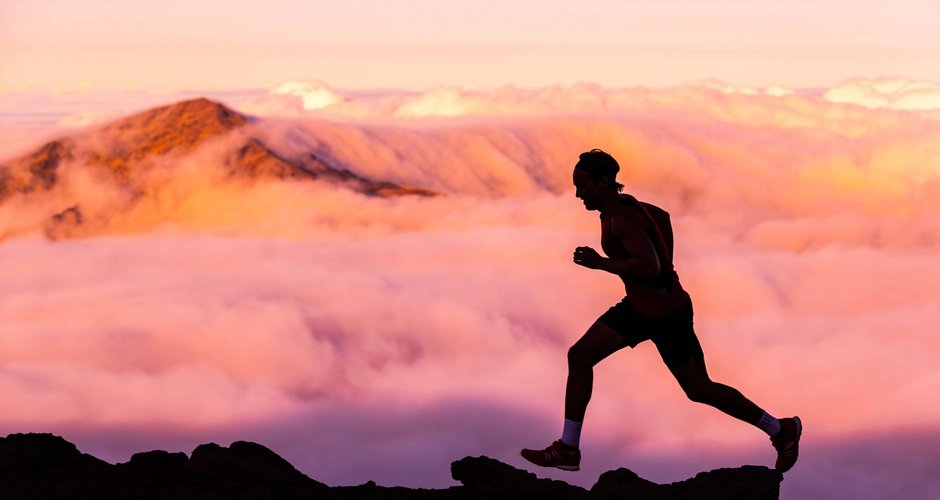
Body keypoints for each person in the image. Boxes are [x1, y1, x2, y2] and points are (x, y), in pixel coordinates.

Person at [520, 149, 801, 473]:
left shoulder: (622, 217)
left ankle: (781, 430)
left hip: (667, 315)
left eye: (583, 185)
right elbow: (663, 218)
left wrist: (602, 264)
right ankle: (568, 449)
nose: (578, 193)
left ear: (604, 181)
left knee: (700, 389)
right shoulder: (625, 207)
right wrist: (667, 265)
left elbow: (648, 267)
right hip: (643, 308)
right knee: (580, 356)